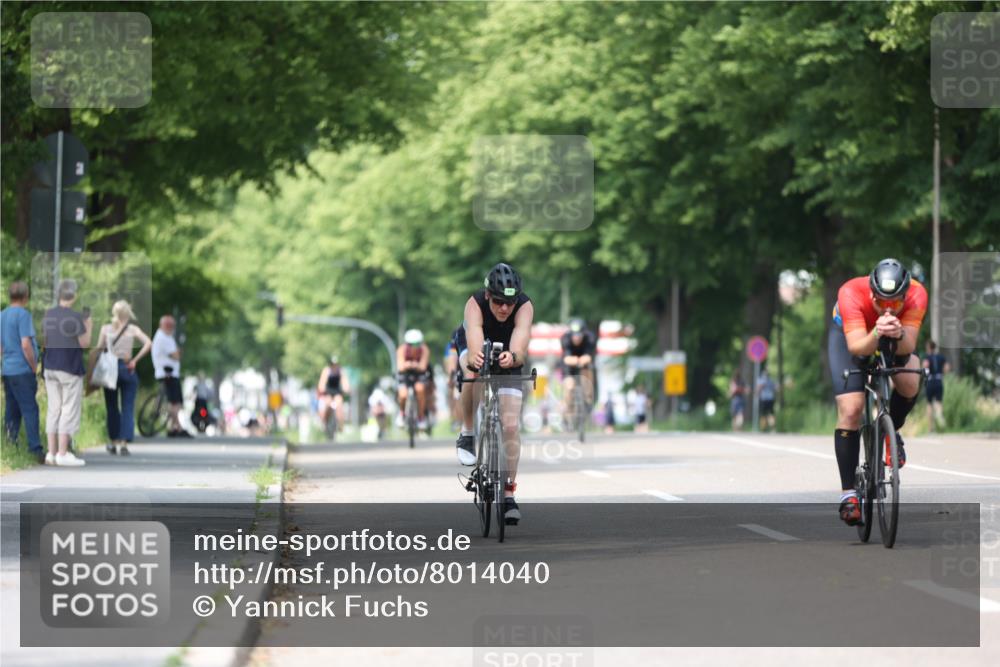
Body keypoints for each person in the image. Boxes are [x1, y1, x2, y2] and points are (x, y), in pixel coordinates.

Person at [829, 258, 926, 526]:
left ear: (905, 295)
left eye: (895, 303)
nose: (887, 307)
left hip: (893, 337)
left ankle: (889, 431)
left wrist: (896, 334)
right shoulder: (851, 292)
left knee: (910, 381)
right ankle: (848, 494)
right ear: (871, 292)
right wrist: (877, 332)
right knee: (851, 409)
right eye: (881, 301)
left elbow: (908, 348)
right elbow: (858, 347)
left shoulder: (918, 293)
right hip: (853, 336)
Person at [455, 262, 534, 525]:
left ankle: (509, 493)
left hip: (508, 351)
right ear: (488, 295)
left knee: (510, 425)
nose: (504, 308)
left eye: (509, 303)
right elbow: (475, 339)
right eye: (499, 301)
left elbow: (520, 344)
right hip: (475, 342)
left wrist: (512, 358)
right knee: (473, 371)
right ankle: (467, 434)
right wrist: (479, 359)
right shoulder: (475, 304)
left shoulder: (524, 306)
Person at [40, 280, 92, 466]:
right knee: (69, 408)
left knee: (54, 408)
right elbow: (85, 343)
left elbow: (44, 340)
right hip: (69, 367)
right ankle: (63, 453)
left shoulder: (48, 315)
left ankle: (51, 453)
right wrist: (89, 323)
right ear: (74, 295)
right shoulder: (75, 317)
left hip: (50, 366)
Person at [95, 301, 152, 455]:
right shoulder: (133, 329)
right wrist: (135, 360)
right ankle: (124, 443)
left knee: (112, 406)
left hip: (110, 369)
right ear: (128, 313)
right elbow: (148, 343)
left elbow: (99, 349)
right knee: (128, 407)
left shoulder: (106, 329)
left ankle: (113, 442)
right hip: (128, 368)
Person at [0, 281, 44, 463]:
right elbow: (26, 344)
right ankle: (35, 449)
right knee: (30, 409)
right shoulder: (24, 315)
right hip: (22, 369)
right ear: (26, 297)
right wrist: (34, 366)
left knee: (12, 409)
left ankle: (9, 444)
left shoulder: (2, 315)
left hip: (8, 370)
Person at [152, 315, 190, 437]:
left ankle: (173, 427)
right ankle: (177, 427)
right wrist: (178, 352)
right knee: (175, 402)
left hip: (166, 373)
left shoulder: (162, 336)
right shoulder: (164, 338)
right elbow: (176, 356)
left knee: (173, 402)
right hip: (168, 374)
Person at [560, 317, 596, 426]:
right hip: (569, 366)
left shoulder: (590, 338)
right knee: (569, 387)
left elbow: (589, 356)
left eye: (579, 335)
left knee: (588, 371)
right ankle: (568, 409)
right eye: (574, 335)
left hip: (584, 363)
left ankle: (588, 397)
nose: (576, 338)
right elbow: (566, 358)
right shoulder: (565, 339)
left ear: (584, 334)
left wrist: (582, 360)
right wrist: (576, 360)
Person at [396, 328, 431, 430]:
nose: (414, 347)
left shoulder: (424, 350)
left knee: (420, 389)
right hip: (404, 373)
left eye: (417, 344)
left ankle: (420, 417)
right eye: (411, 345)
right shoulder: (401, 350)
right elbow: (401, 366)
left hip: (419, 373)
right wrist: (412, 365)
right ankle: (402, 414)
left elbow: (423, 366)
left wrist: (411, 365)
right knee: (403, 394)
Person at [317, 355, 348, 433]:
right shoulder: (326, 371)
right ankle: (324, 422)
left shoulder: (341, 371)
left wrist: (346, 388)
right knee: (327, 404)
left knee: (339, 404)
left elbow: (345, 382)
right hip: (329, 392)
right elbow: (322, 383)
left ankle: (340, 425)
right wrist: (322, 388)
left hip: (337, 392)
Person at [923, 340, 949, 432]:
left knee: (929, 404)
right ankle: (940, 420)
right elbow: (946, 368)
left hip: (930, 381)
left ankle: (931, 428)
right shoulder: (941, 357)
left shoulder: (927, 357)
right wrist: (941, 374)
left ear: (929, 348)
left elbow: (925, 367)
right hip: (938, 380)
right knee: (938, 403)